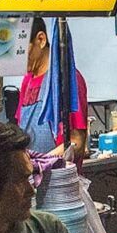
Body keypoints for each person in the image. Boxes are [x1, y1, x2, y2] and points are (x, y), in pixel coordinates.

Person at [17, 17, 89, 159]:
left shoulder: (68, 80)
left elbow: (77, 143)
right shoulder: (27, 81)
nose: (18, 59)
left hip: (59, 178)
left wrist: (41, 164)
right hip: (32, 178)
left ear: (41, 39)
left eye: (21, 50)